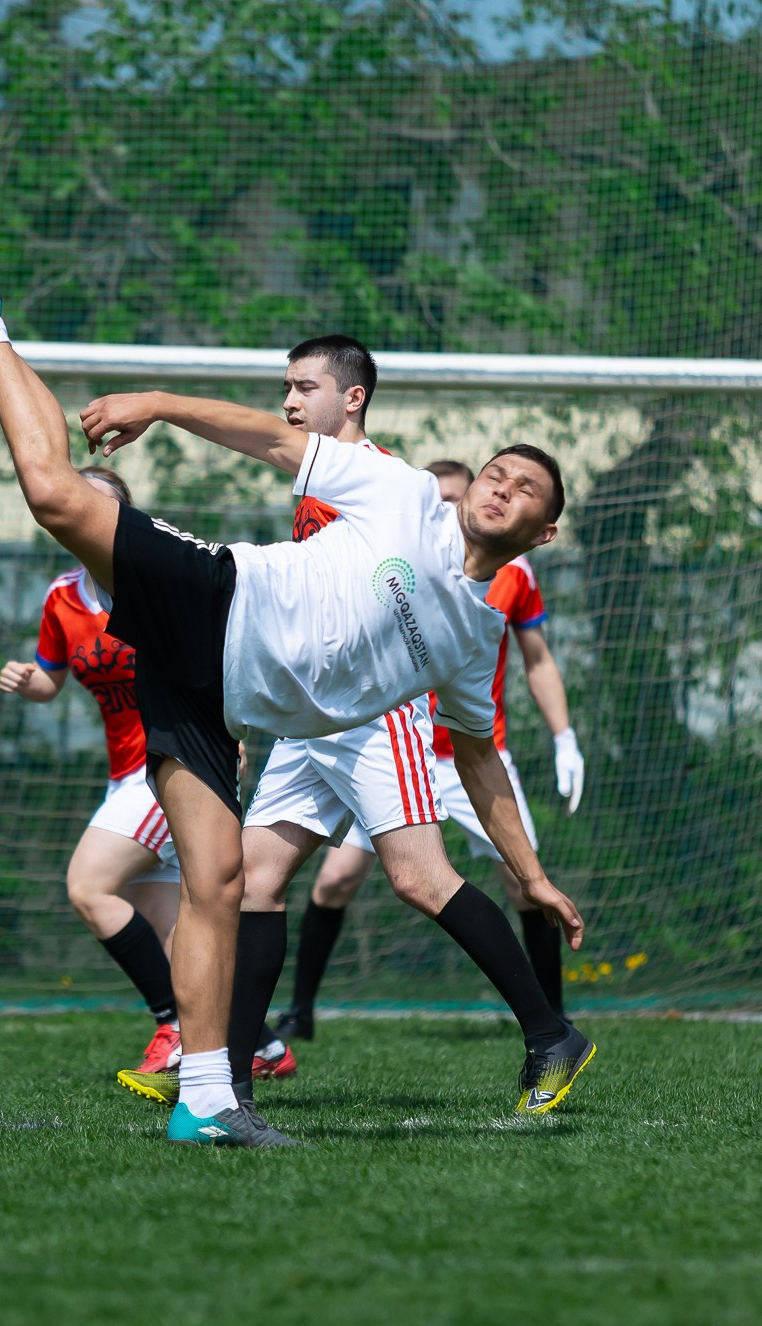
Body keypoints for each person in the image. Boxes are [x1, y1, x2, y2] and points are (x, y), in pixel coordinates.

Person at [0, 212, 589, 1148]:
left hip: (213, 704)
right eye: (496, 472)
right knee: (59, 493)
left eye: (525, 491)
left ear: (541, 532)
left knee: (221, 883)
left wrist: (534, 875)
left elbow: (478, 759)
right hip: (215, 601)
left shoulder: (475, 638)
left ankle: (210, 1102)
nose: (501, 488)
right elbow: (271, 438)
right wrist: (161, 399)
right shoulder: (395, 490)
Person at [108, 337, 586, 1117]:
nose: (291, 403)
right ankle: (230, 1066)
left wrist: (159, 404)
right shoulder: (335, 480)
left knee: (418, 877)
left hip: (373, 713)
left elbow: (431, 655)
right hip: (308, 721)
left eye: (305, 388)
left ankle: (547, 1030)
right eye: (286, 389)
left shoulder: (382, 479)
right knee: (252, 885)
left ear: (352, 398)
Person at [272, 458, 589, 1042]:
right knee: (317, 879)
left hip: (468, 752)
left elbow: (537, 659)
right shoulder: (398, 544)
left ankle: (551, 1021)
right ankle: (276, 1027)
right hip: (377, 738)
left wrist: (563, 736)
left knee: (509, 882)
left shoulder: (510, 580)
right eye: (442, 499)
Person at [0, 466, 294, 1080]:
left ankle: (171, 1025)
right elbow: (52, 678)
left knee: (88, 886)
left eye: (100, 506)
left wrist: (227, 737)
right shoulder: (61, 596)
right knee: (170, 928)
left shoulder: (161, 583)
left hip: (171, 764)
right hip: (122, 777)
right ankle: (262, 1045)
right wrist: (32, 683)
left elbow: (219, 663)